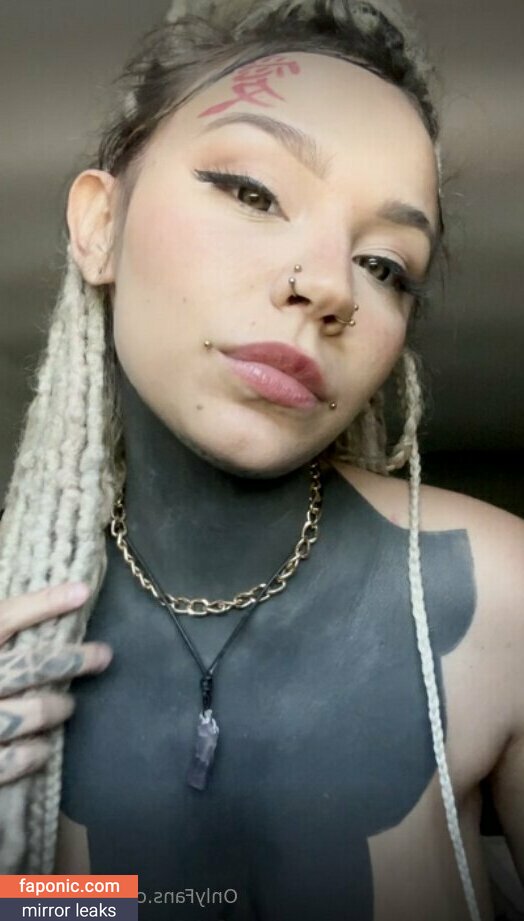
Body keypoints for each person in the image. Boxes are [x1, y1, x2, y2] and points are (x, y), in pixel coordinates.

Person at [0, 0, 522, 918]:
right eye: (252, 192)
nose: (327, 285)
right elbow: (91, 905)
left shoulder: (502, 602)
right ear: (99, 224)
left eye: (385, 265)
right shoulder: (14, 623)